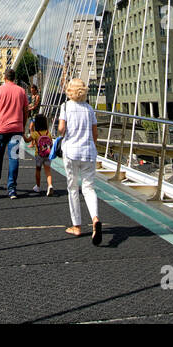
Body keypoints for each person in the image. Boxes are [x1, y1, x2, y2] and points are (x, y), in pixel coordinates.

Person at [58, 78, 102, 243]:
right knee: (89, 188)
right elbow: (95, 134)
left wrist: (61, 132)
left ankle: (76, 226)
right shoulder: (89, 109)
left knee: (73, 188)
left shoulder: (66, 106)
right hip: (88, 152)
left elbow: (62, 129)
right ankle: (95, 219)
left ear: (69, 91)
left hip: (71, 152)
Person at [0, 67, 29, 198]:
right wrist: (23, 125)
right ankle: (12, 189)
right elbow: (26, 111)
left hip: (1, 128)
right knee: (14, 157)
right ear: (14, 78)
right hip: (17, 129)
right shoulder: (22, 91)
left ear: (4, 77)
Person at [28, 113, 55, 195]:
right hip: (47, 154)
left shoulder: (36, 133)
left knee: (38, 170)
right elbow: (51, 144)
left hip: (39, 155)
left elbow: (27, 140)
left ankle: (38, 187)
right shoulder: (48, 133)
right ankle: (50, 185)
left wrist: (22, 134)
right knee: (48, 171)